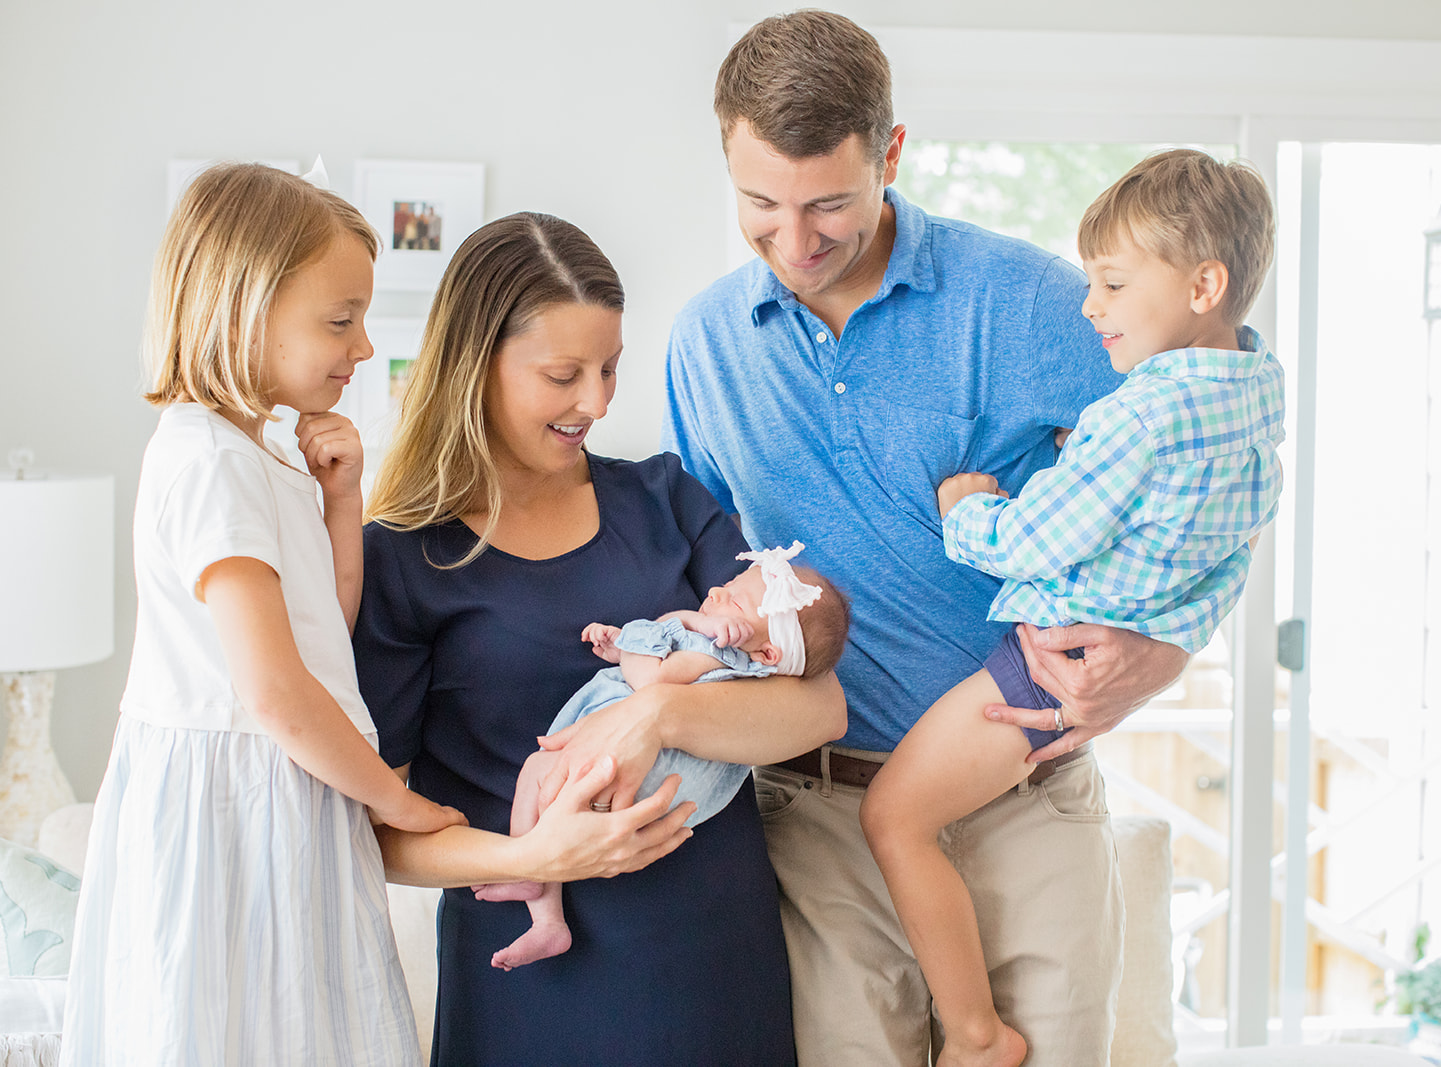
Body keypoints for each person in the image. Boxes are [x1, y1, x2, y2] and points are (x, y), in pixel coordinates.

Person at [662, 12, 1192, 1064]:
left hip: (1026, 796)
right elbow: (713, 572)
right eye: (760, 204)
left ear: (891, 154)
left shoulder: (1034, 302)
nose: (795, 240)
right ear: (725, 154)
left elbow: (1197, 481)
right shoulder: (706, 343)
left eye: (830, 204)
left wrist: (1160, 654)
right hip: (815, 808)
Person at [351, 211, 845, 1065]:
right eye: (563, 373)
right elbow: (382, 830)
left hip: (710, 957)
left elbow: (817, 705)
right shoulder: (403, 557)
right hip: (530, 978)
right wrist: (538, 852)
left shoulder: (665, 500)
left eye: (610, 368)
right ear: (475, 366)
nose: (597, 401)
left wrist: (655, 720)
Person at [859, 148, 1286, 1067]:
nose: (1090, 306)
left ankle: (977, 1037)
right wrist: (1172, 636)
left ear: (1203, 284)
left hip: (1038, 666)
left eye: (1114, 283)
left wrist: (964, 509)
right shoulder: (1256, 399)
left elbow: (1032, 542)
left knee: (894, 817)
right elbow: (1228, 547)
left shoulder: (1134, 421)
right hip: (1110, 661)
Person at [60, 162, 471, 1066]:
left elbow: (324, 627)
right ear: (242, 309)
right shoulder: (209, 460)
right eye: (339, 320)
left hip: (282, 782)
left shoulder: (262, 454)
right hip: (237, 801)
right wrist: (392, 797)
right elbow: (277, 692)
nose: (362, 348)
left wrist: (340, 501)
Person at [485, 542, 850, 971]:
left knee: (537, 772)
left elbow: (651, 681)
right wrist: (621, 646)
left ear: (769, 654)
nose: (715, 592)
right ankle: (547, 921)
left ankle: (530, 879)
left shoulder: (714, 653)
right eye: (727, 584)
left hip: (635, 773)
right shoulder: (735, 667)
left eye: (734, 599)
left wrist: (682, 621)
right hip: (648, 787)